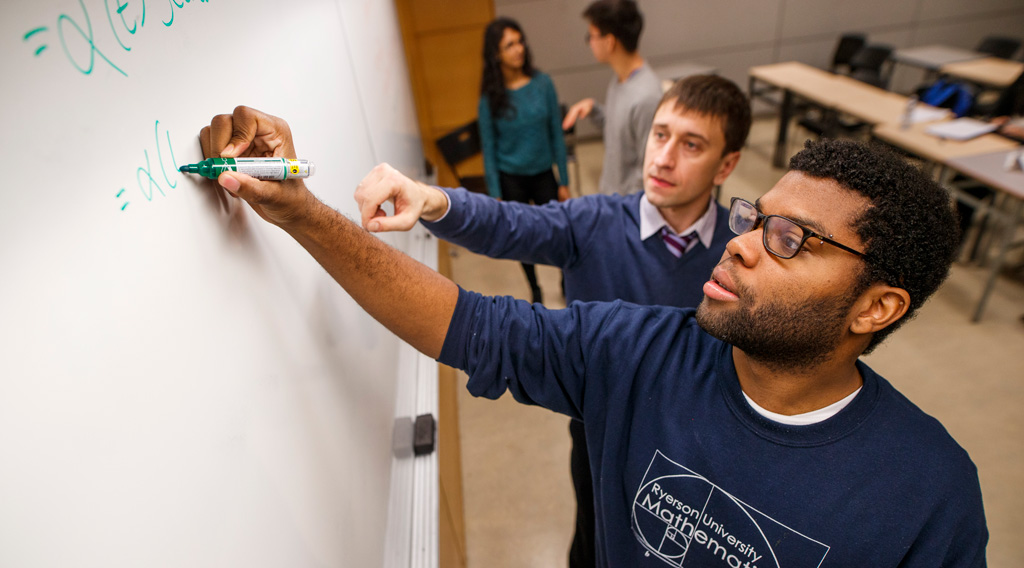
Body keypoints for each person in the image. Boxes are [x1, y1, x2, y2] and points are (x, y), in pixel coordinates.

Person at [199, 107, 987, 566]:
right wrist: (301, 210)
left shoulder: (929, 492)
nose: (741, 243)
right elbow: (465, 323)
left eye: (791, 240)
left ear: (875, 309)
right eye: (753, 218)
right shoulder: (637, 350)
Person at [368, 74, 750, 568]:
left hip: (695, 439)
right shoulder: (592, 221)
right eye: (660, 134)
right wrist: (433, 199)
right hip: (598, 428)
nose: (663, 157)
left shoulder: (740, 252)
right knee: (594, 540)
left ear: (728, 164)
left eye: (691, 144)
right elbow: (509, 224)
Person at [478, 17, 570, 304]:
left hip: (543, 174)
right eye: (509, 45)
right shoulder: (490, 98)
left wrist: (564, 181)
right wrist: (495, 194)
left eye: (520, 42)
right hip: (511, 179)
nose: (519, 49)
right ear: (496, 54)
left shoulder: (543, 84)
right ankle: (535, 288)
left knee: (560, 232)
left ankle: (567, 282)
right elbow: (489, 149)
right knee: (522, 239)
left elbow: (557, 134)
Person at [561, 0, 662, 196]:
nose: (589, 43)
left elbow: (649, 170)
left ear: (609, 42)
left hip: (626, 208)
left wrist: (619, 209)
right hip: (613, 200)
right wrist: (595, 109)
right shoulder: (621, 80)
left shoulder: (646, 98)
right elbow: (622, 134)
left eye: (591, 36)